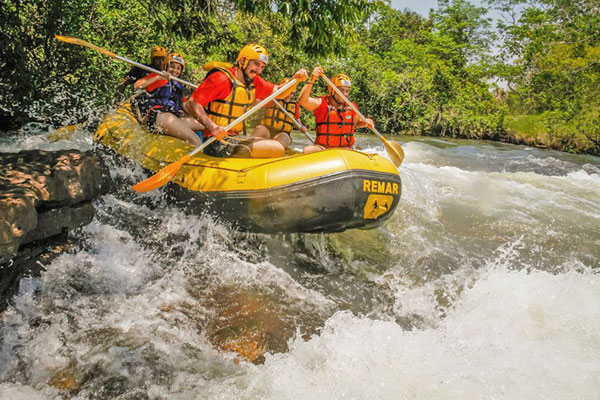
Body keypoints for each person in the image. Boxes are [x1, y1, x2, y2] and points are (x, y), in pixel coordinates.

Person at [185, 44, 307, 158]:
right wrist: (211, 126)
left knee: (275, 144)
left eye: (262, 67)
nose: (259, 71)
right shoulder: (220, 79)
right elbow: (192, 103)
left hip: (234, 138)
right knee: (276, 147)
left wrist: (295, 80)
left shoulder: (255, 82)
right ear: (243, 61)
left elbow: (279, 92)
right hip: (215, 141)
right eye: (256, 64)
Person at [298, 67, 374, 154]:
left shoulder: (351, 107)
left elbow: (357, 123)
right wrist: (312, 79)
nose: (345, 94)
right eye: (341, 90)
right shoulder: (321, 104)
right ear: (331, 90)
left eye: (347, 91)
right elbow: (302, 101)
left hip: (345, 150)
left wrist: (366, 122)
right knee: (308, 150)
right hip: (323, 149)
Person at [133, 52, 204, 146]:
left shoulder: (177, 86)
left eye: (178, 68)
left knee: (202, 124)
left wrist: (203, 116)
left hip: (171, 117)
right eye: (172, 66)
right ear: (166, 66)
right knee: (196, 141)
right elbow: (137, 86)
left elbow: (185, 106)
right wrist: (158, 77)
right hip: (158, 116)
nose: (175, 70)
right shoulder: (158, 76)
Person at [253, 78, 308, 149]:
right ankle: (246, 147)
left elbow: (297, 121)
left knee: (284, 138)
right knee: (260, 129)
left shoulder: (294, 105)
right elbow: (257, 103)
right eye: (287, 92)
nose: (289, 95)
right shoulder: (272, 99)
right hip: (267, 130)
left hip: (283, 133)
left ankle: (276, 149)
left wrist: (301, 127)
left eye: (292, 93)